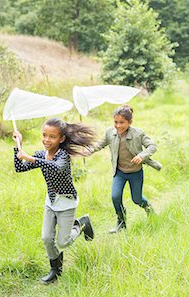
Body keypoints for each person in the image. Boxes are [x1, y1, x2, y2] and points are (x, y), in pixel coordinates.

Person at [12, 117, 96, 285]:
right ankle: (55, 271)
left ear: (61, 139)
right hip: (51, 202)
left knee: (63, 242)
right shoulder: (41, 154)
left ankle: (81, 224)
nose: (46, 140)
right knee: (46, 238)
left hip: (66, 203)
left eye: (52, 137)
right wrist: (18, 146)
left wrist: (30, 158)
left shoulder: (63, 156)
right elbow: (19, 168)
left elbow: (56, 168)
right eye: (44, 135)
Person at [90, 105, 161, 234]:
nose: (118, 126)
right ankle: (121, 222)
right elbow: (100, 144)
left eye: (122, 123)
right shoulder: (110, 133)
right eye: (116, 122)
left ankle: (149, 209)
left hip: (135, 173)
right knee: (115, 197)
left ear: (130, 122)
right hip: (120, 172)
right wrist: (88, 151)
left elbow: (152, 146)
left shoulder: (138, 133)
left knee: (137, 199)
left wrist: (141, 155)